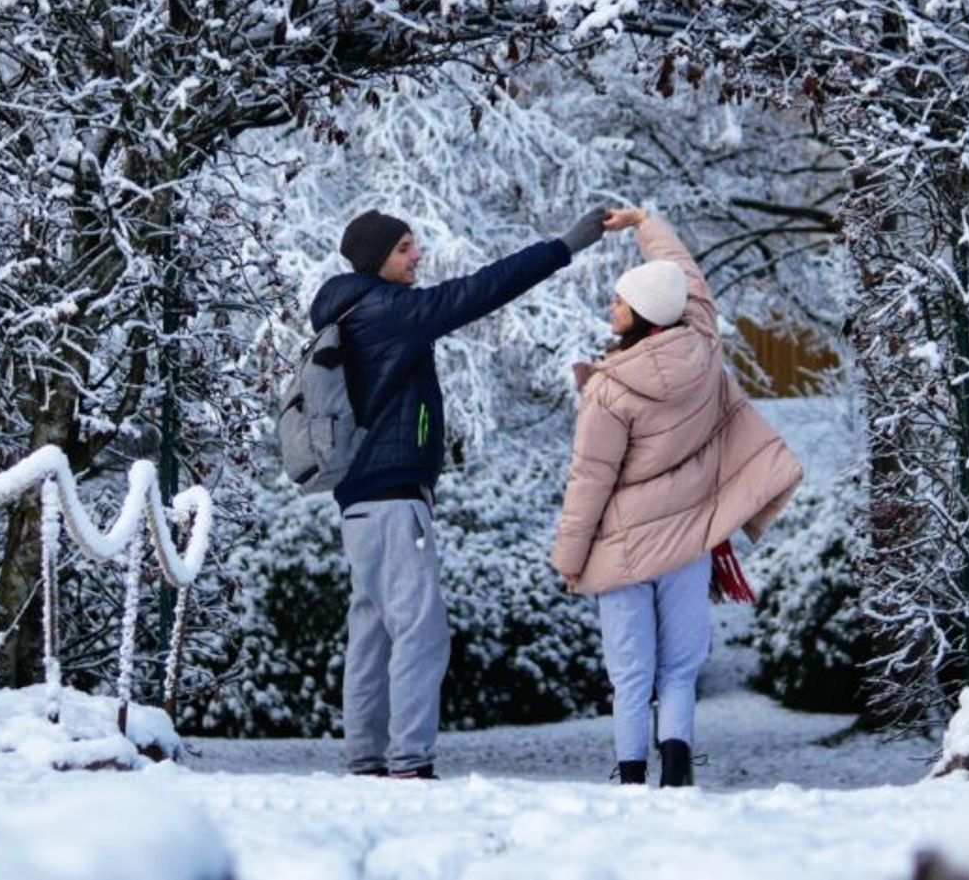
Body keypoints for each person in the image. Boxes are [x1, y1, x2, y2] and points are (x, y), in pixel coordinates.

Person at [311, 204, 611, 779]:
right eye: (404, 248)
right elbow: (482, 290)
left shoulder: (348, 313)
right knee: (420, 629)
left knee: (372, 628)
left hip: (358, 501)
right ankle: (409, 760)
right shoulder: (389, 310)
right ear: (377, 259)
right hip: (396, 496)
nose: (417, 255)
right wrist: (564, 246)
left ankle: (367, 758)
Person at [552, 208, 804, 788]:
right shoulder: (704, 348)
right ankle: (679, 769)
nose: (610, 310)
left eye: (619, 303)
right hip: (690, 543)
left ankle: (634, 773)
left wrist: (570, 559)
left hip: (622, 552)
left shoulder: (610, 391)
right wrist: (647, 223)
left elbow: (589, 480)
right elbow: (684, 277)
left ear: (640, 314)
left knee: (631, 671)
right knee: (680, 669)